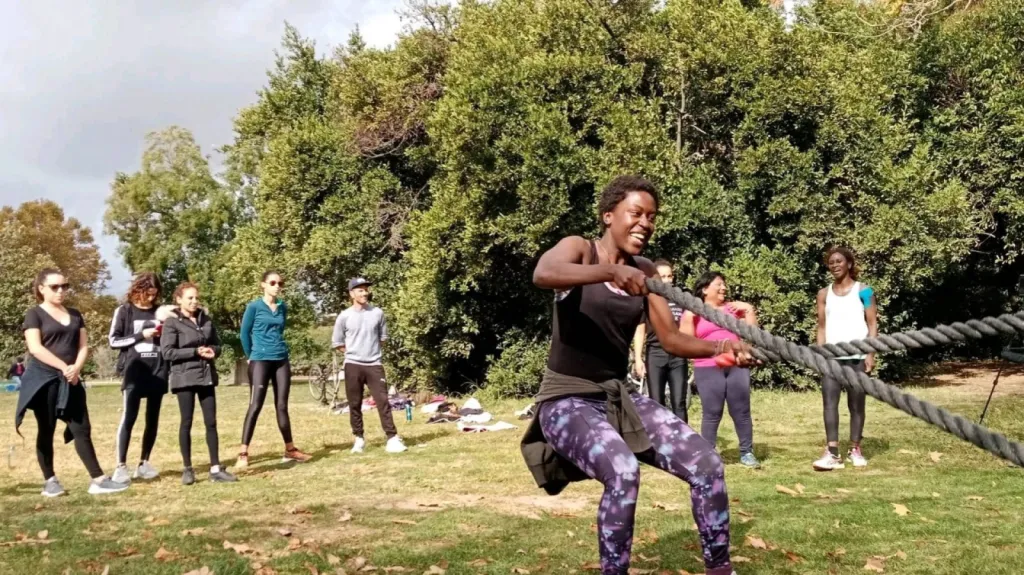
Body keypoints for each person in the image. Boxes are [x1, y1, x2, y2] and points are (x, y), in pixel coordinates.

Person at [521, 175, 755, 575]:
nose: (645, 223)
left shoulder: (645, 271)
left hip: (618, 398)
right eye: (636, 213)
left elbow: (671, 339)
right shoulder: (582, 250)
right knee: (623, 473)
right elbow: (544, 273)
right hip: (566, 400)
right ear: (608, 215)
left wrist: (722, 348)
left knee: (707, 465)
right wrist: (608, 272)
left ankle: (720, 569)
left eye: (652, 217)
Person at [14, 268, 128, 496]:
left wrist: (76, 368)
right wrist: (64, 367)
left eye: (64, 286)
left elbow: (83, 345)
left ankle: (98, 480)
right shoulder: (34, 314)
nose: (61, 291)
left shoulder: (75, 314)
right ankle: (50, 481)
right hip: (44, 381)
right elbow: (35, 348)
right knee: (46, 430)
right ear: (41, 289)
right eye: (55, 287)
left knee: (82, 428)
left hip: (71, 379)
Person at [680, 272, 760, 468]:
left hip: (736, 365)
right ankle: (708, 455)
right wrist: (690, 317)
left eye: (724, 285)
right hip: (707, 367)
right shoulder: (694, 311)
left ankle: (747, 452)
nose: (723, 288)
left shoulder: (733, 309)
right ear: (705, 289)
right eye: (719, 284)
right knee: (712, 412)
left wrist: (749, 310)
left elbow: (754, 335)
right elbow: (686, 343)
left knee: (741, 410)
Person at [161, 282, 237, 485]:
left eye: (196, 298)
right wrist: (194, 352)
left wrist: (214, 351)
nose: (194, 302)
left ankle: (215, 468)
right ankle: (187, 469)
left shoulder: (206, 319)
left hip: (206, 377)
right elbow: (167, 352)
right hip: (184, 378)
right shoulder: (172, 323)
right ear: (179, 300)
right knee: (186, 422)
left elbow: (217, 344)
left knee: (211, 423)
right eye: (190, 298)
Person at [237, 271, 311, 468]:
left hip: (281, 360)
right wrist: (251, 355)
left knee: (282, 406)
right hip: (260, 360)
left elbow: (280, 329)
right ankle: (243, 452)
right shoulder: (253, 307)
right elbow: (244, 333)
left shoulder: (282, 307)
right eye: (273, 282)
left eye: (280, 282)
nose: (277, 285)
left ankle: (290, 449)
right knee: (255, 405)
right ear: (263, 285)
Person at [813, 246, 877, 471]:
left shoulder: (865, 291)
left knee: (856, 404)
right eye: (831, 262)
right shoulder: (823, 294)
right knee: (829, 404)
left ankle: (855, 449)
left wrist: (870, 353)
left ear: (849, 264)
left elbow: (872, 324)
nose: (835, 265)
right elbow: (821, 327)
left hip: (857, 356)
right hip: (832, 358)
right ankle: (832, 453)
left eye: (839, 261)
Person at [332, 277, 406, 454]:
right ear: (352, 294)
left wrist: (370, 352)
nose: (364, 293)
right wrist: (354, 353)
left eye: (366, 289)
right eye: (360, 290)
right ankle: (359, 438)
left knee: (383, 401)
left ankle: (392, 438)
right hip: (353, 365)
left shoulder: (377, 313)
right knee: (355, 403)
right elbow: (338, 342)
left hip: (374, 364)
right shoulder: (344, 316)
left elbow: (383, 338)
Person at [107, 272, 168, 483]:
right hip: (134, 372)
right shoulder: (124, 311)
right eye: (147, 293)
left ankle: (144, 463)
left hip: (158, 370)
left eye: (155, 294)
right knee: (129, 418)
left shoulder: (161, 312)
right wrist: (141, 335)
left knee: (152, 420)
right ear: (137, 290)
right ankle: (120, 466)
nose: (151, 298)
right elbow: (114, 341)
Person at [631, 259, 689, 422]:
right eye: (663, 276)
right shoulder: (648, 300)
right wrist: (637, 359)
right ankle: (660, 443)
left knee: (679, 403)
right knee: (656, 403)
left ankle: (684, 443)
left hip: (678, 356)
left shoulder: (681, 299)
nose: (667, 280)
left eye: (670, 276)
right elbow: (640, 329)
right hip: (655, 354)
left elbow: (689, 327)